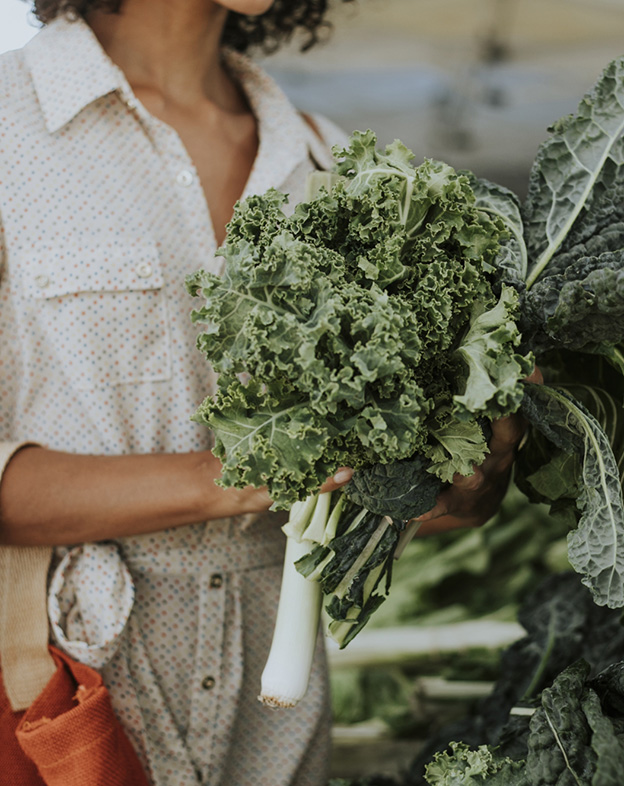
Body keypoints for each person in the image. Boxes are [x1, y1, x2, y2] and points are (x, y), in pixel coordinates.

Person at [0, 1, 531, 784]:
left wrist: (460, 486)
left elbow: (385, 503)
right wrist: (247, 475)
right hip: (60, 715)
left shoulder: (329, 163)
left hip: (278, 740)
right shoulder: (13, 131)